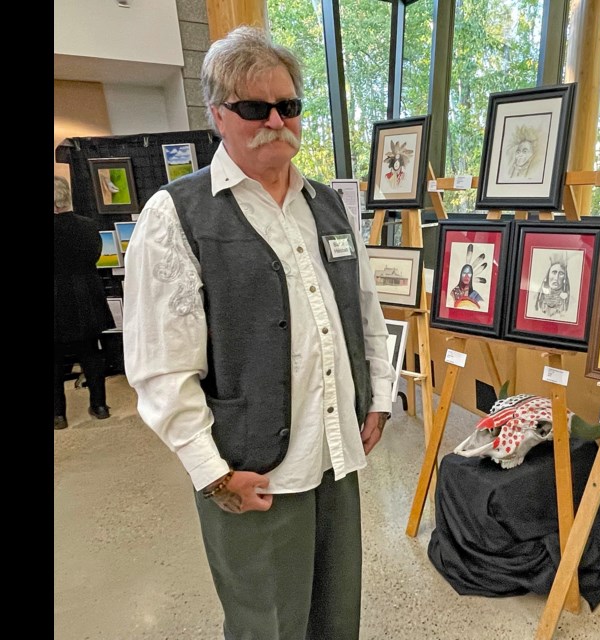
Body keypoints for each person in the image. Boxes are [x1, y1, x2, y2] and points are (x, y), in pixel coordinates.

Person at [121, 26, 395, 640]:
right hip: (253, 471)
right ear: (219, 114)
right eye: (255, 107)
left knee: (334, 614)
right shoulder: (177, 214)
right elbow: (161, 365)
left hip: (334, 453)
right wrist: (213, 473)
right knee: (266, 623)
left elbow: (363, 309)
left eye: (288, 106)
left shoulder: (326, 202)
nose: (276, 120)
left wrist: (378, 397)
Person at [54, 176, 112, 430]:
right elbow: (95, 257)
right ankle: (99, 406)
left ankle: (58, 416)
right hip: (85, 297)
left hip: (56, 301)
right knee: (91, 353)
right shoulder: (89, 226)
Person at [533, 253, 570, 318]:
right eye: (554, 272)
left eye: (561, 273)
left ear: (565, 279)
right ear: (548, 276)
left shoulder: (570, 302)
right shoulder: (536, 298)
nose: (556, 278)